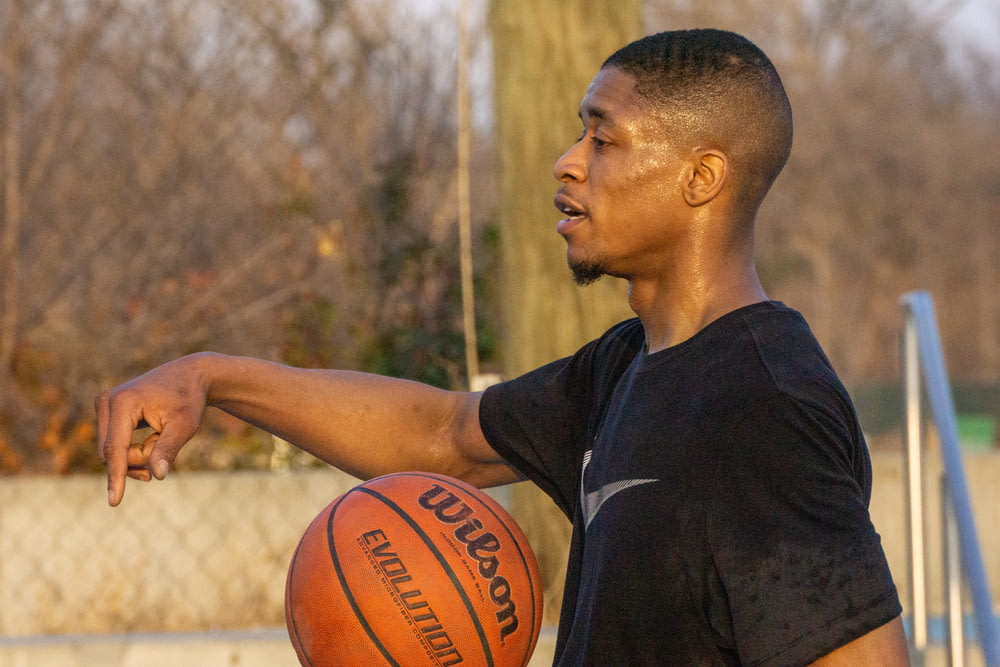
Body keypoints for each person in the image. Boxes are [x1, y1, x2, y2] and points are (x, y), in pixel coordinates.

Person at [97, 29, 910, 666]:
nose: (567, 161)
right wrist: (209, 376)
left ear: (701, 178)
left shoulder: (763, 406)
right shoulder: (625, 366)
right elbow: (440, 436)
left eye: (604, 138)